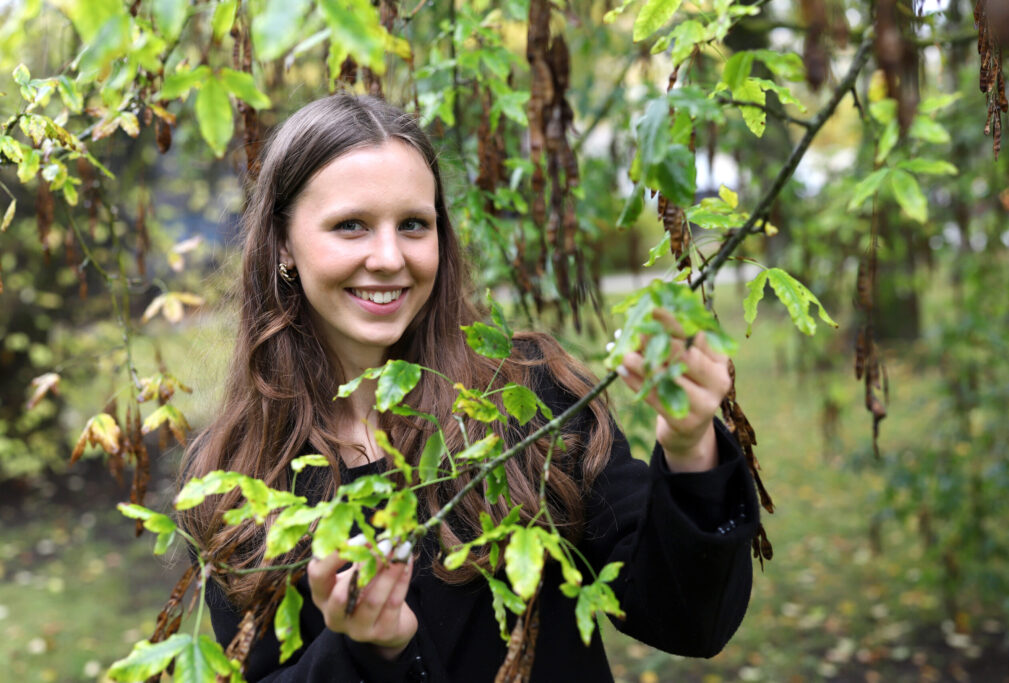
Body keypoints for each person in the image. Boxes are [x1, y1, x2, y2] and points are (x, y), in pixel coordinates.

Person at [179, 93, 759, 682]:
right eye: (350, 225)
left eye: (413, 225)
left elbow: (687, 619)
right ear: (283, 245)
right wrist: (366, 652)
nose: (388, 257)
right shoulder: (236, 479)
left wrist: (690, 449)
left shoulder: (530, 395)